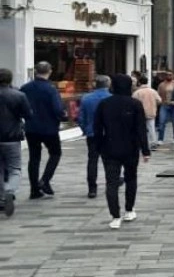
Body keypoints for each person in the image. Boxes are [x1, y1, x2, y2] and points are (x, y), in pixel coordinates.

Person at [93, 74, 151, 229]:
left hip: (109, 147)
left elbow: (97, 128)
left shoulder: (104, 104)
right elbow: (141, 129)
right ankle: (129, 209)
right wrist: (145, 150)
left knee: (111, 182)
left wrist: (98, 147)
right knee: (131, 179)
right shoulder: (135, 104)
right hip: (131, 148)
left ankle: (115, 216)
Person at [20, 61, 67, 199]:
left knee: (34, 158)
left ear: (35, 71)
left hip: (31, 127)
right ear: (50, 71)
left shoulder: (25, 88)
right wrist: (63, 116)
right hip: (49, 127)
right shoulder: (51, 89)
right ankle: (45, 180)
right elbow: (58, 109)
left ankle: (34, 189)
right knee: (55, 153)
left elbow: (21, 106)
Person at [0, 68, 32, 217]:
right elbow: (28, 114)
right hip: (12, 137)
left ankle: (1, 197)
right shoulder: (19, 95)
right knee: (14, 168)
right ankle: (10, 190)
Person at [77, 75, 112, 198]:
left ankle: (92, 188)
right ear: (108, 84)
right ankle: (112, 183)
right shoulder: (111, 98)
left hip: (92, 133)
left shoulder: (86, 98)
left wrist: (85, 129)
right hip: (108, 134)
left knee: (92, 160)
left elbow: (80, 118)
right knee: (109, 160)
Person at [132, 76, 162, 151]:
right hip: (151, 112)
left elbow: (133, 102)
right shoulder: (153, 91)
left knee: (139, 128)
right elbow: (159, 100)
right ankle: (153, 143)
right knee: (151, 128)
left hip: (140, 113)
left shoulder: (137, 92)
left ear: (139, 82)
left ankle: (139, 143)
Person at [157, 71, 174, 144]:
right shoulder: (161, 85)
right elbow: (159, 94)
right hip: (164, 105)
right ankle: (160, 139)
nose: (169, 76)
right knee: (162, 122)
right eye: (167, 75)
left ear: (173, 75)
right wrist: (160, 101)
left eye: (170, 75)